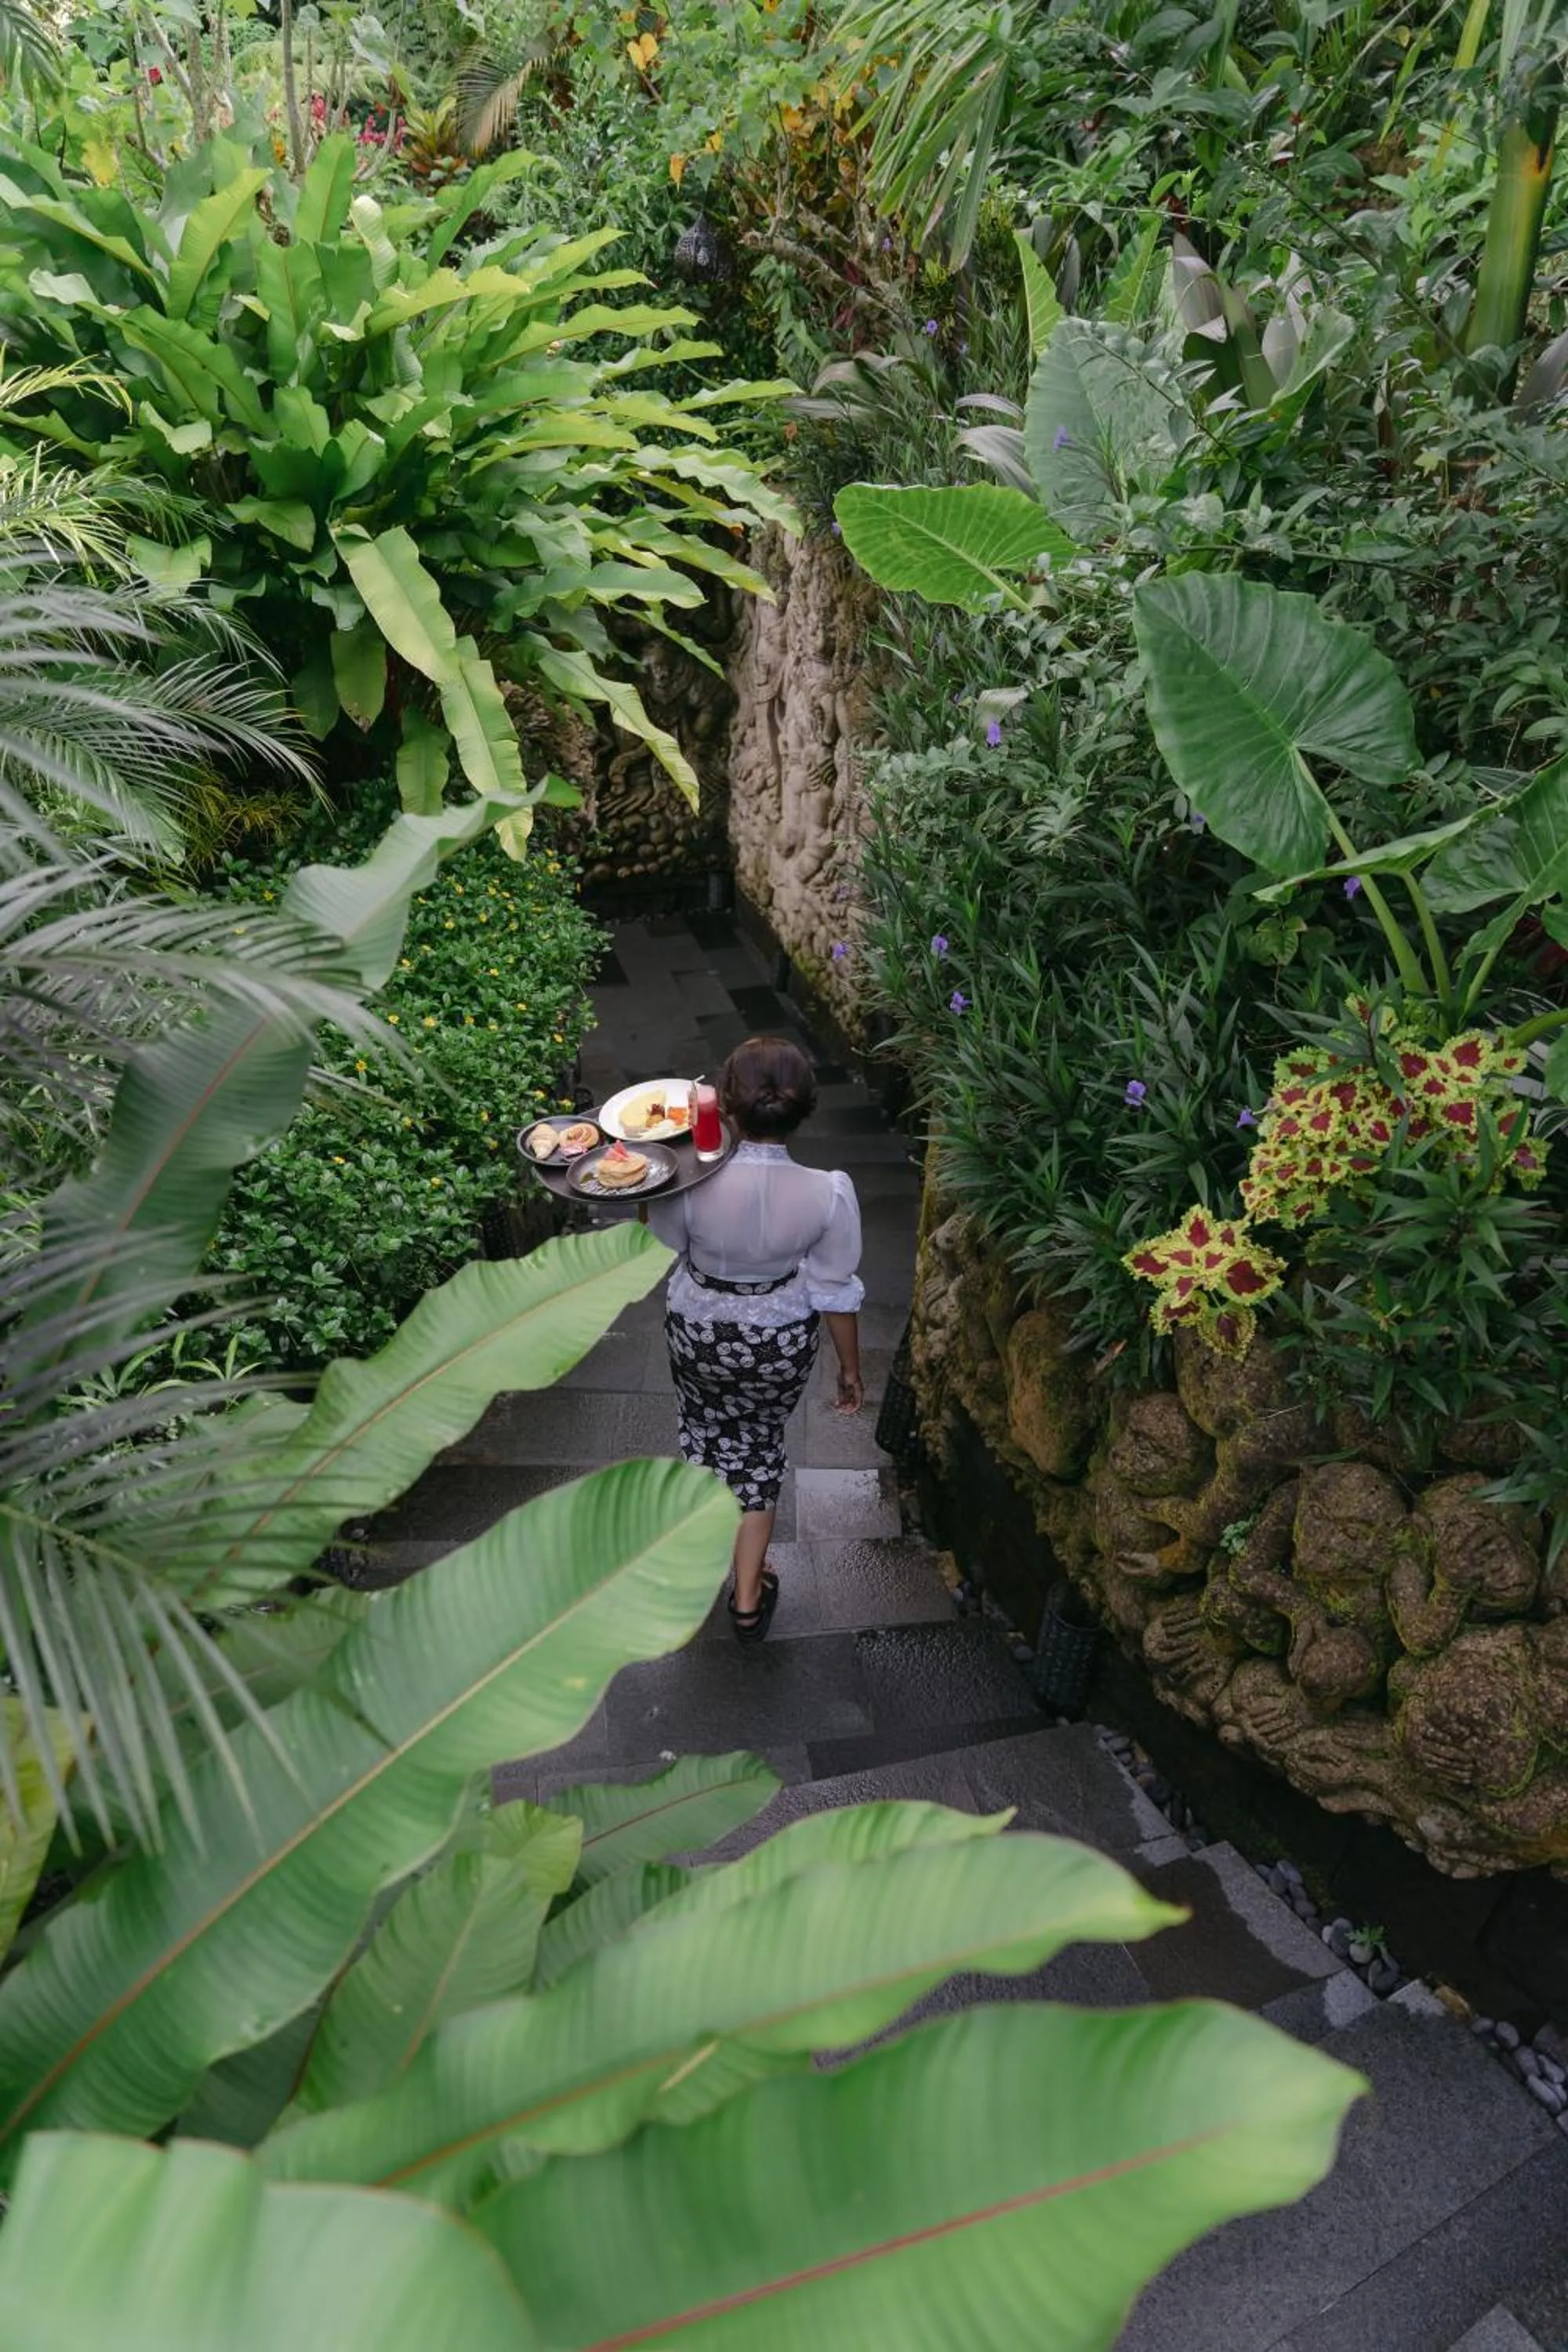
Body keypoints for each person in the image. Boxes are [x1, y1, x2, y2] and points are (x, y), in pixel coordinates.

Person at [647, 1034, 864, 1642]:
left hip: (699, 1334)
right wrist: (849, 1369)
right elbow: (835, 1291)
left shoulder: (687, 1182)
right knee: (759, 1450)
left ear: (730, 1108)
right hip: (777, 1343)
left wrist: (655, 1181)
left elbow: (661, 1249)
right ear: (804, 1109)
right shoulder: (828, 1192)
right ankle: (747, 1599)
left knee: (705, 1434)